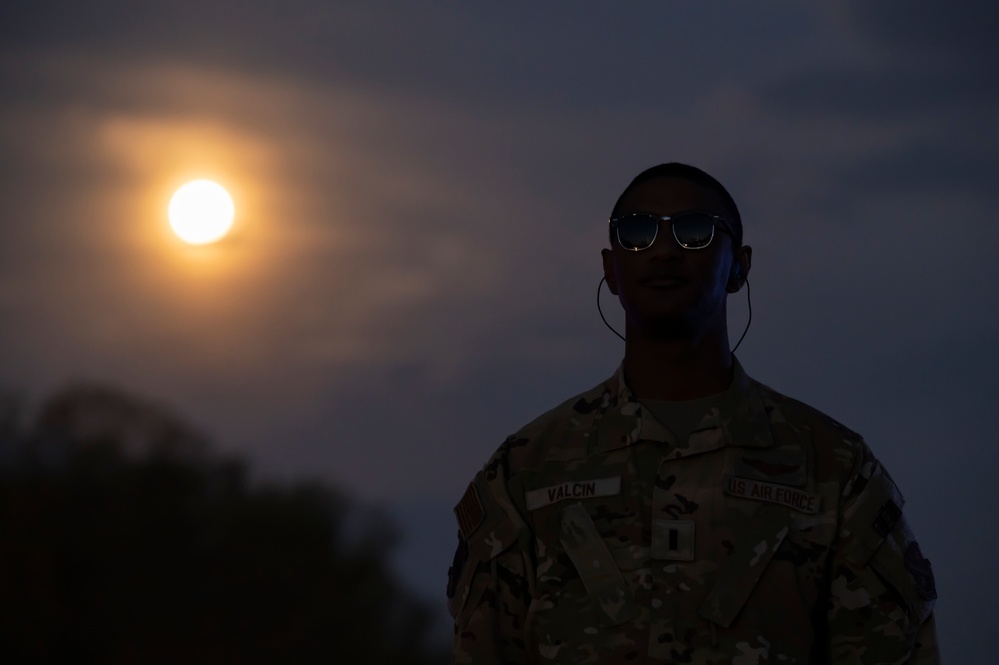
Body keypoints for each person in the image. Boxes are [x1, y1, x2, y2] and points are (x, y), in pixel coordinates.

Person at [447, 163, 939, 664]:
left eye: (694, 231)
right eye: (637, 232)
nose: (663, 250)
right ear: (610, 268)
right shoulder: (529, 469)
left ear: (739, 266)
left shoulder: (832, 466)